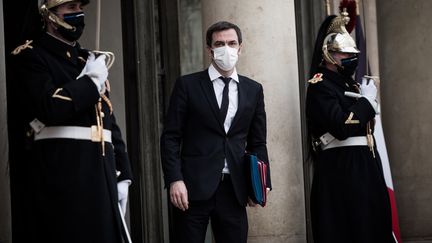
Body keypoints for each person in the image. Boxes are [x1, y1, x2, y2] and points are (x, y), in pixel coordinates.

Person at [10, 1, 132, 242]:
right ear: (49, 15)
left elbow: (107, 119)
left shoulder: (88, 60)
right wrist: (89, 83)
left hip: (101, 172)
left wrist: (123, 173)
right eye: (69, 8)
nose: (78, 13)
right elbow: (49, 107)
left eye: (79, 7)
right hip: (63, 170)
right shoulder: (31, 55)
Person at [160, 21, 271, 243]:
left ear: (240, 48)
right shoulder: (187, 85)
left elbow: (258, 142)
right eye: (219, 44)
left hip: (235, 189)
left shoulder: (253, 89)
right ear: (209, 49)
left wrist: (260, 183)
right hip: (191, 189)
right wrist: (174, 179)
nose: (226, 49)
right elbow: (171, 137)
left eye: (232, 43)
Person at [306, 13, 394, 243]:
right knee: (350, 228)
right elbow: (342, 126)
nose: (351, 58)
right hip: (342, 167)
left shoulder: (348, 83)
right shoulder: (320, 85)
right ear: (328, 54)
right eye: (345, 54)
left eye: (353, 54)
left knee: (373, 225)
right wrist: (366, 103)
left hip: (363, 163)